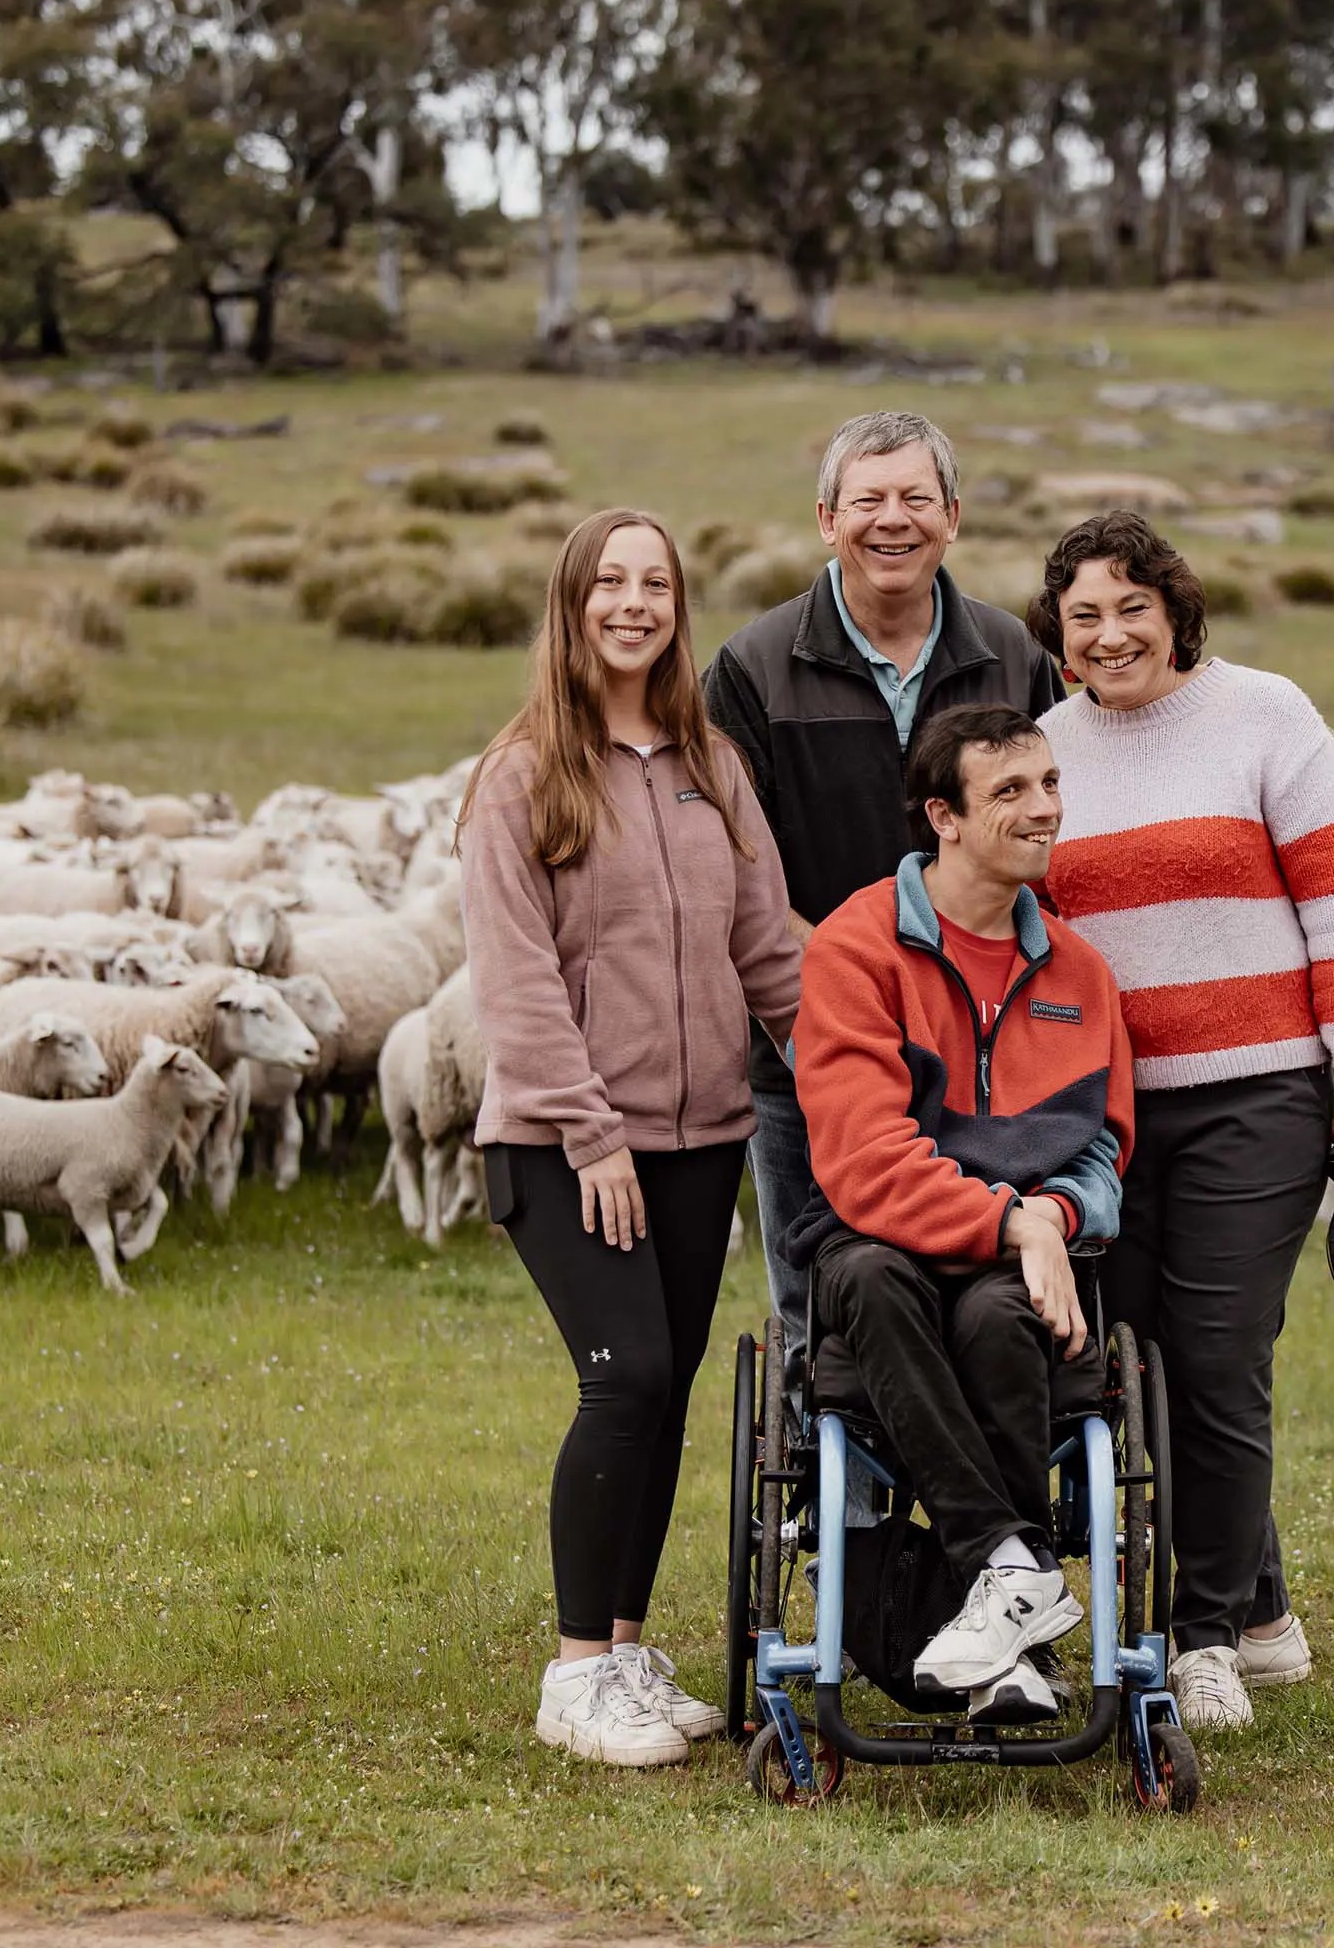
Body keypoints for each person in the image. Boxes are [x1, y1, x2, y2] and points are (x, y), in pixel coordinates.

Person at [1027, 511, 1334, 1733]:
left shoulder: (1266, 715)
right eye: (1084, 616)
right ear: (1060, 637)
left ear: (1175, 610)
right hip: (1110, 1107)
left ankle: (1200, 1641)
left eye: (1130, 607)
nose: (1109, 633)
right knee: (1131, 1360)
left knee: (1217, 1351)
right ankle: (1264, 1610)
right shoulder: (1043, 748)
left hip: (1260, 1090)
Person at [459, 508, 805, 1767]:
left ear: (677, 607)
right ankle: (574, 1674)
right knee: (629, 1378)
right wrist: (591, 1132)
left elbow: (769, 949)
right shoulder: (522, 774)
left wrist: (874, 1054)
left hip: (702, 1135)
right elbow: (516, 982)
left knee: (664, 1400)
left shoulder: (711, 764)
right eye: (609, 581)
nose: (633, 602)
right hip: (564, 1143)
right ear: (572, 602)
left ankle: (626, 1644)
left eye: (655, 581)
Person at [784, 704, 1134, 1724]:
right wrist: (1011, 1219)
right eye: (1012, 791)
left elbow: (1106, 1147)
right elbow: (861, 1158)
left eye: (1052, 783)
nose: (1046, 808)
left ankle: (1003, 1603)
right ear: (942, 814)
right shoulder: (859, 948)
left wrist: (1056, 1216)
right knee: (866, 1275)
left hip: (1014, 1265)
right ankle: (1014, 1562)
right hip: (885, 1243)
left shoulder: (1080, 971)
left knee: (994, 1315)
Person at [704, 411, 1067, 1382]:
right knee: (821, 1292)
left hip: (990, 1050)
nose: (890, 520)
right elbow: (736, 870)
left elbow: (1053, 835)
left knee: (987, 1279)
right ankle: (841, 1515)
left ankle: (993, 1498)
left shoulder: (1013, 657)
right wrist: (842, 1001)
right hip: (806, 1048)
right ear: (827, 518)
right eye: (867, 500)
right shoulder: (751, 667)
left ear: (952, 517)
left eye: (915, 498)